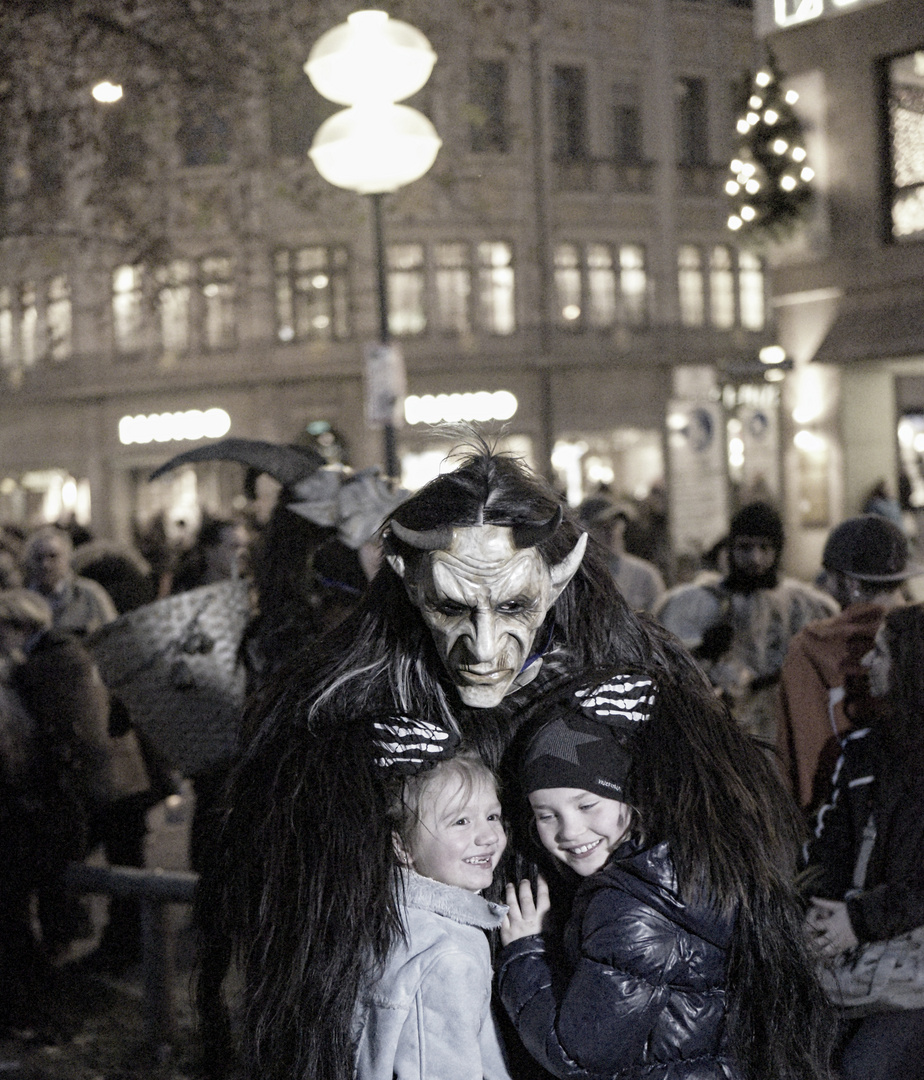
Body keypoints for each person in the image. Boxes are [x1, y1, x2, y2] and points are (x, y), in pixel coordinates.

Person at [199, 436, 835, 1080]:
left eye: (512, 606)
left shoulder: (634, 674)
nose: (481, 647)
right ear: (411, 585)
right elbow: (279, 878)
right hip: (444, 1001)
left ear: (556, 583)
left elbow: (727, 864)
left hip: (590, 999)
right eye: (451, 606)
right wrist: (352, 776)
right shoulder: (355, 687)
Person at [496, 666, 835, 1080]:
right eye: (546, 815)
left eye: (587, 806)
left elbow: (577, 1055)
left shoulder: (632, 906)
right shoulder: (685, 860)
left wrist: (525, 953)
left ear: (628, 796)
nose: (569, 831)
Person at [801, 603, 924, 1078]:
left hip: (909, 973)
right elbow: (823, 848)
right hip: (851, 964)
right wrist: (817, 906)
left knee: (864, 1067)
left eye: (882, 652)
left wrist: (860, 918)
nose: (866, 663)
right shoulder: (857, 750)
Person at [352, 745, 512, 1080]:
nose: (487, 836)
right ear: (403, 847)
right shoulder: (450, 955)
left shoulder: (392, 915)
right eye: (461, 821)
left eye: (492, 816)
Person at [655, 501, 838, 742]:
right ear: (731, 548)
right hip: (721, 729)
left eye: (765, 548)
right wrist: (701, 651)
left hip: (782, 725)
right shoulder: (695, 603)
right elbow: (667, 670)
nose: (755, 558)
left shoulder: (804, 605)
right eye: (745, 547)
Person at [777, 514, 920, 814]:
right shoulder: (916, 639)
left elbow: (800, 750)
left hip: (835, 814)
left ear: (850, 583)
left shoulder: (808, 649)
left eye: (828, 575)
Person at [0, 588, 112, 959]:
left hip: (68, 795)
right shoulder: (59, 652)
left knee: (39, 878)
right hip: (74, 790)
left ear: (19, 626)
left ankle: (47, 968)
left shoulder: (47, 662)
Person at [22, 524, 118, 638]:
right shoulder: (22, 602)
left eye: (53, 556)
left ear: (67, 558)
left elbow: (113, 634)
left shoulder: (89, 595)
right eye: (39, 558)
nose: (45, 565)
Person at [576, 495, 665, 613]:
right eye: (602, 526)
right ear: (585, 531)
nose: (611, 533)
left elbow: (660, 624)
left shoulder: (645, 576)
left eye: (615, 525)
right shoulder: (578, 576)